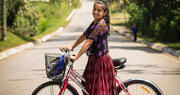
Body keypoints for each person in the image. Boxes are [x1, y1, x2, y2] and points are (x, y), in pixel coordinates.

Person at [60, 0, 117, 95]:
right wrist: (72, 47)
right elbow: (84, 35)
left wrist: (77, 57)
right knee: (89, 88)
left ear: (105, 13)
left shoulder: (101, 23)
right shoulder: (95, 22)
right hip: (93, 59)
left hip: (100, 61)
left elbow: (89, 41)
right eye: (94, 9)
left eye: (99, 10)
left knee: (98, 91)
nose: (95, 12)